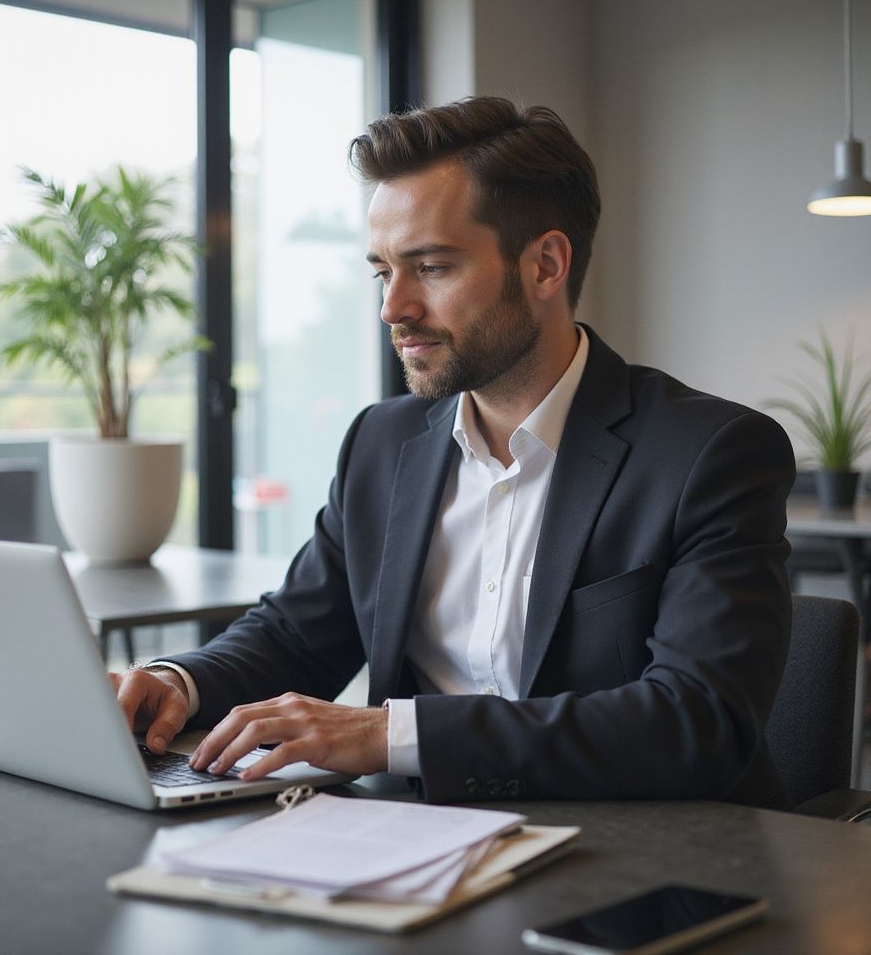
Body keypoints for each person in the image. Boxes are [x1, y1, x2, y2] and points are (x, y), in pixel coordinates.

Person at [112, 97, 794, 807]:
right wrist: (174, 684)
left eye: (430, 267)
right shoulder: (382, 443)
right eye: (382, 271)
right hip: (418, 853)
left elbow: (698, 723)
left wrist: (388, 736)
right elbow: (297, 635)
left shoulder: (709, 455)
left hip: (646, 871)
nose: (393, 307)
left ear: (546, 265)